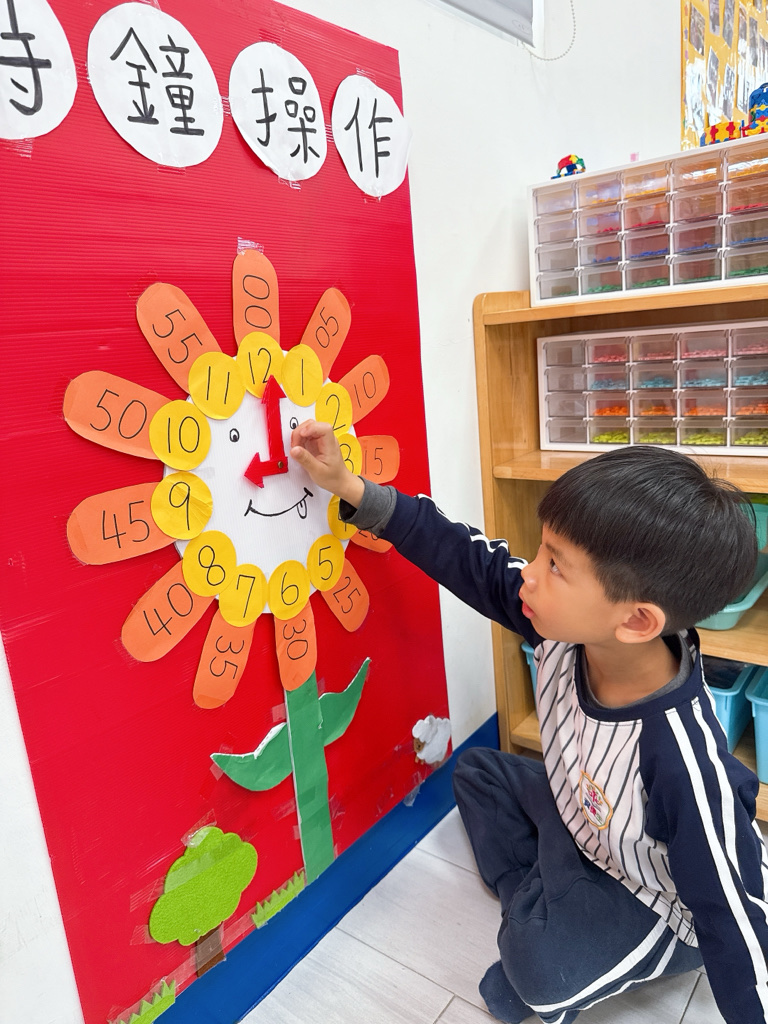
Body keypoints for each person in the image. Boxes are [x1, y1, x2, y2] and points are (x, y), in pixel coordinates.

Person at [289, 419, 767, 1024]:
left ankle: (543, 917)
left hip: (656, 900)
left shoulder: (682, 763)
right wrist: (349, 486)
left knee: (535, 975)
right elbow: (463, 555)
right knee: (478, 773)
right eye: (541, 550)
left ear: (636, 621)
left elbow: (735, 920)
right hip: (585, 822)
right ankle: (544, 897)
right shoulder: (567, 626)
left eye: (556, 565)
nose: (530, 574)